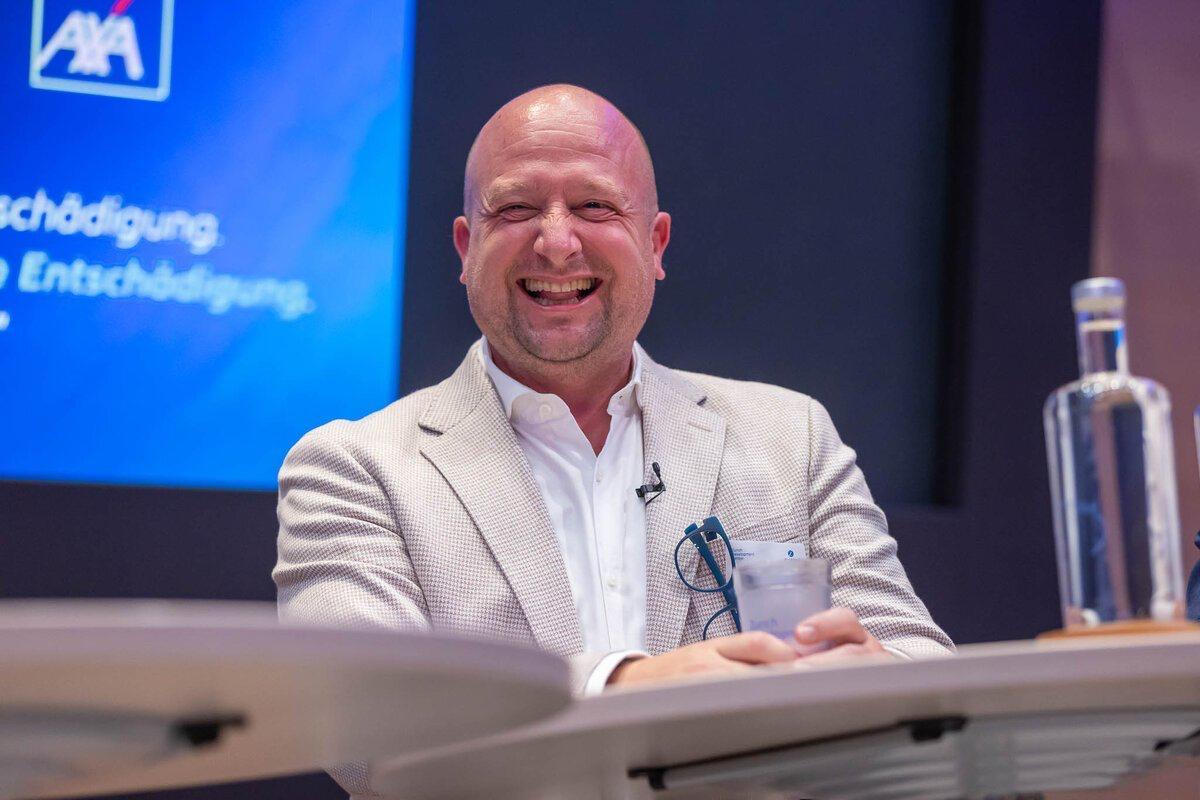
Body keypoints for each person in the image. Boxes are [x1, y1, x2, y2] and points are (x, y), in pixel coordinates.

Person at [274, 83, 952, 794]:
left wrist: (876, 683)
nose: (556, 242)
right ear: (466, 248)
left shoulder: (791, 436)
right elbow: (363, 724)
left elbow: (923, 666)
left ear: (655, 243)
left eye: (595, 206)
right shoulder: (354, 468)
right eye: (516, 209)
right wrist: (626, 685)